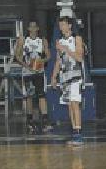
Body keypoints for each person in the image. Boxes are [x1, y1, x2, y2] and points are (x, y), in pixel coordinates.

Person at [50, 16, 86, 146]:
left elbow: (80, 58)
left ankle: (79, 134)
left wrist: (66, 49)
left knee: (75, 103)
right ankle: (74, 133)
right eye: (60, 25)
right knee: (70, 105)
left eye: (64, 24)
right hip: (64, 77)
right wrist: (53, 77)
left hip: (75, 75)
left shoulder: (77, 38)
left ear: (70, 25)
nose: (61, 27)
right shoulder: (59, 41)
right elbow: (58, 60)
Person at [14, 20, 52, 134]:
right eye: (31, 27)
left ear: (38, 28)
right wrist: (27, 66)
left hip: (39, 72)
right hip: (27, 72)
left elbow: (49, 56)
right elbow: (17, 56)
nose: (33, 28)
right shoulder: (23, 40)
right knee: (29, 96)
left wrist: (41, 61)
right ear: (28, 29)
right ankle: (30, 121)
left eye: (35, 26)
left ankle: (45, 121)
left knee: (41, 96)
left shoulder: (42, 40)